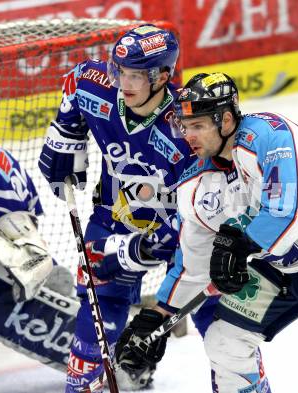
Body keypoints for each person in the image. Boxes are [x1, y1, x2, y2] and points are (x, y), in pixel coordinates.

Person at [116, 72, 298, 393]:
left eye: (199, 126)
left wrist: (242, 242)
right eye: (185, 126)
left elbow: (291, 212)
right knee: (224, 342)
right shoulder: (195, 186)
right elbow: (193, 266)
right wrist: (159, 316)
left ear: (227, 120)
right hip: (279, 268)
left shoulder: (271, 136)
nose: (189, 136)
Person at [38, 23, 194, 392]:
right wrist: (66, 133)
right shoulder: (99, 86)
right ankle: (87, 382)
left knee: (213, 318)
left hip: (179, 232)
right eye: (120, 70)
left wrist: (138, 251)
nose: (124, 82)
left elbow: (200, 215)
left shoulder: (188, 127)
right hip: (113, 218)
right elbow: (77, 81)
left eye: (137, 75)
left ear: (163, 76)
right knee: (99, 306)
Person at [0, 139, 77, 373]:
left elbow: (30, 255)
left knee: (26, 270)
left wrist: (39, 270)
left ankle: (101, 349)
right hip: (11, 228)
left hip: (12, 243)